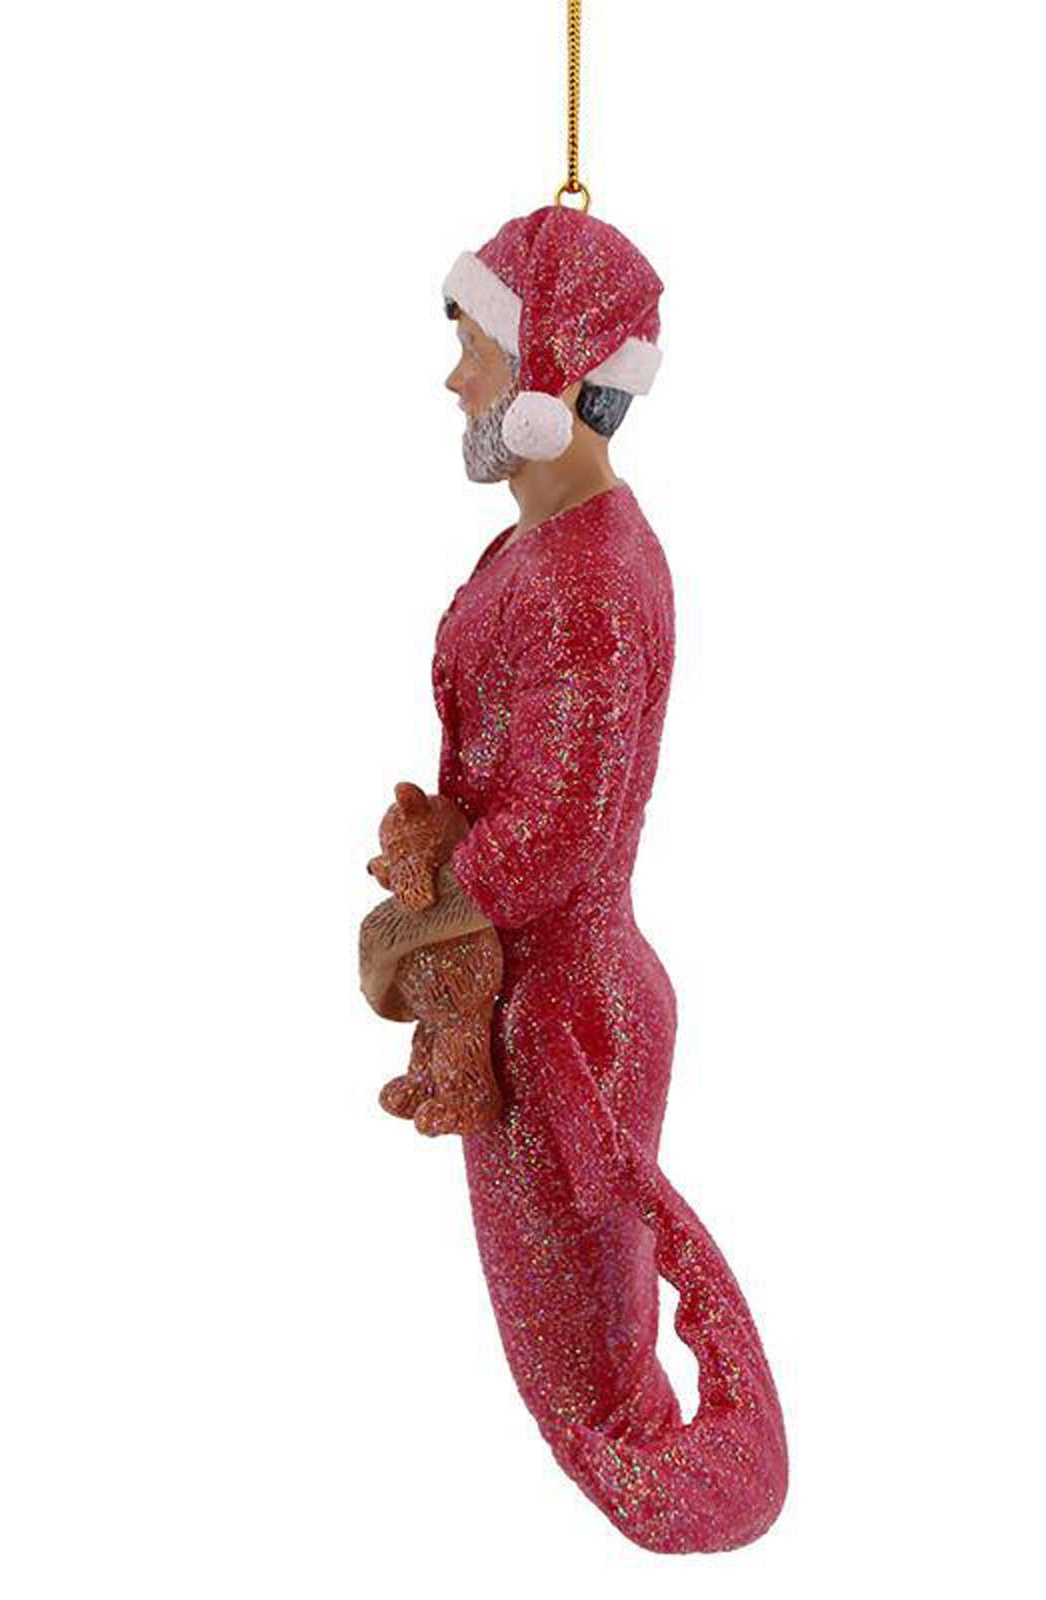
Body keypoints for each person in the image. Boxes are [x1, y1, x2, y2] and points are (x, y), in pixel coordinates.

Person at [358, 205, 787, 1553]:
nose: (455, 382)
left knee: (594, 1406)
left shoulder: (587, 579)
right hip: (538, 1011)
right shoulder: (548, 547)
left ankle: (709, 1516)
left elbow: (558, 839)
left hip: (564, 1029)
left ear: (547, 362)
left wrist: (405, 927)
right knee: (576, 1376)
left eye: (477, 349)